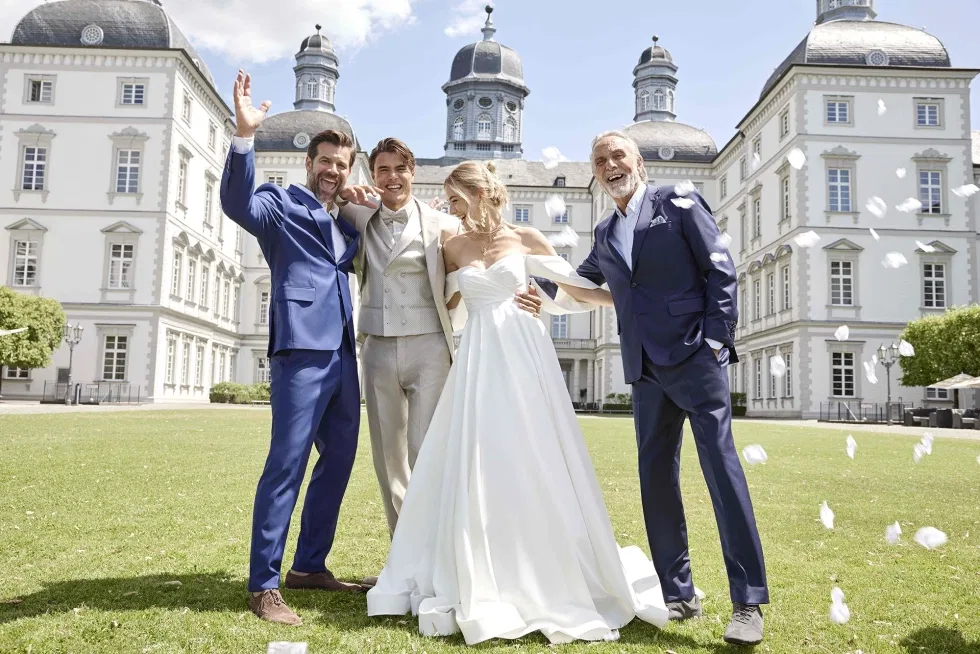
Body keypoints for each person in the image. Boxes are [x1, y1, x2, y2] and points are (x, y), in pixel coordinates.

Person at [365, 161, 670, 645]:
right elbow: (443, 303)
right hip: (478, 358)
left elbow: (575, 290)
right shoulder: (451, 245)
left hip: (525, 355)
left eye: (456, 198)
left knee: (532, 450)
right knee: (480, 456)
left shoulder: (526, 237)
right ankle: (481, 556)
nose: (451, 207)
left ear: (482, 192)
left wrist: (630, 299)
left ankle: (543, 559)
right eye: (446, 200)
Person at [571, 130, 768, 645]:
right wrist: (525, 279)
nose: (610, 164)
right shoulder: (604, 231)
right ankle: (678, 592)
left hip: (694, 358)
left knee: (721, 473)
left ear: (637, 162)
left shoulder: (677, 201)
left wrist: (717, 342)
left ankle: (747, 603)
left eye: (618, 155)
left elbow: (721, 270)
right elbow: (582, 283)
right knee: (655, 479)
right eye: (600, 160)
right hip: (644, 368)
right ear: (595, 172)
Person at [220, 70, 374, 626]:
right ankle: (264, 584)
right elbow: (239, 205)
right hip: (299, 351)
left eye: (342, 164)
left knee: (340, 459)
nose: (333, 171)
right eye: (325, 162)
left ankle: (309, 565)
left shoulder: (348, 222)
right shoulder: (280, 204)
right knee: (286, 463)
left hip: (342, 354)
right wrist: (244, 137)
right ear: (309, 164)